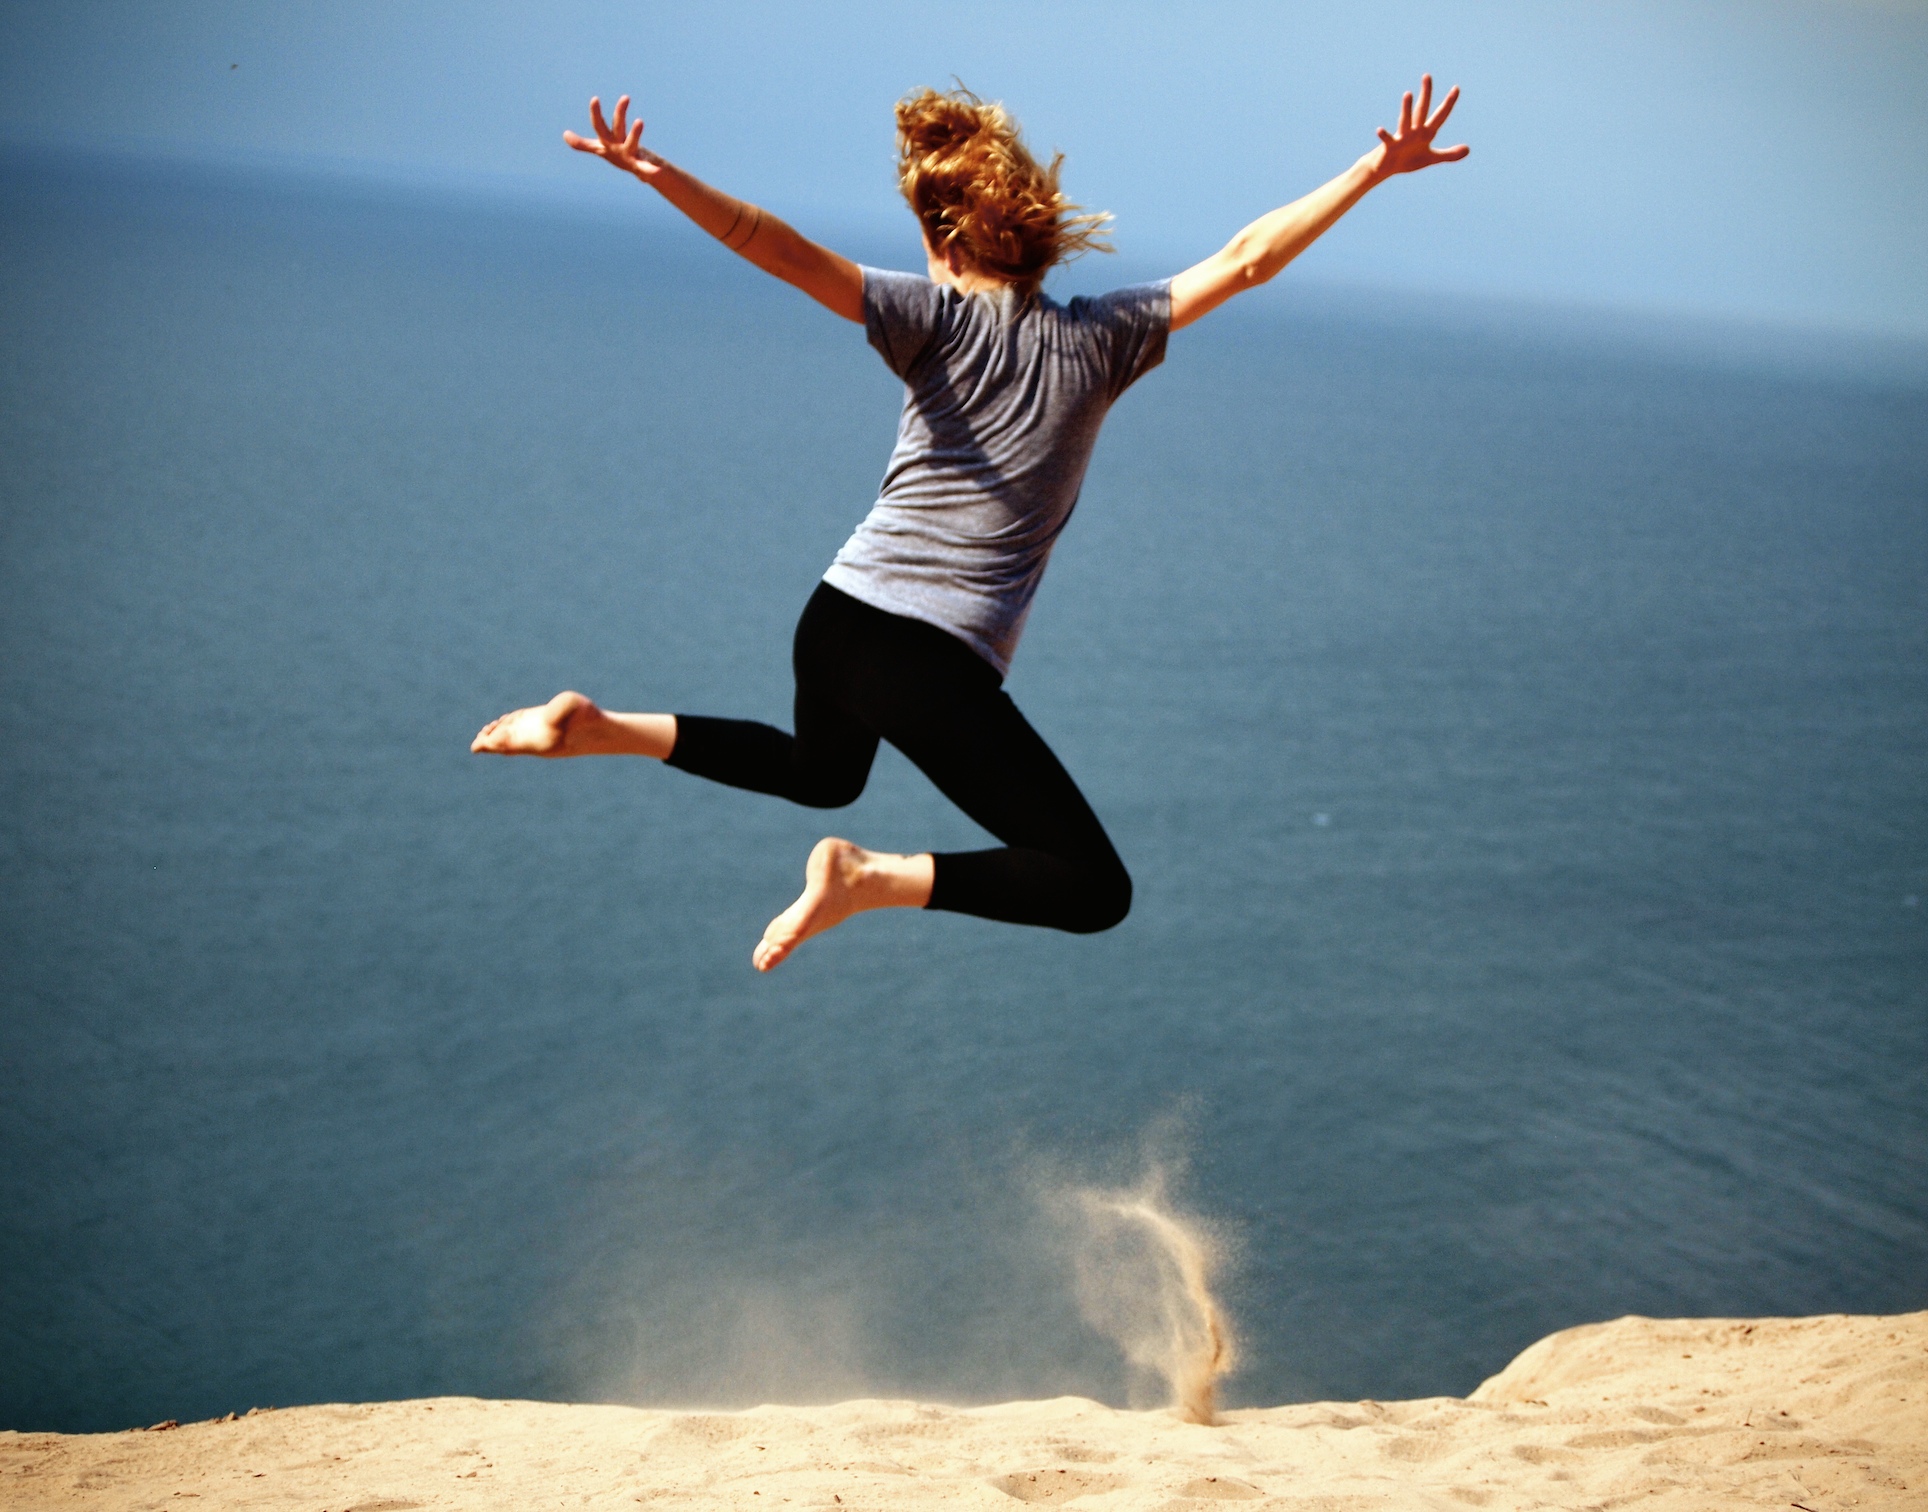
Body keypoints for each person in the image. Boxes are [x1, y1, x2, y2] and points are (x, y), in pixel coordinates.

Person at [473, 78, 1467, 972]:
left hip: (836, 618)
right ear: (1036, 234)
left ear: (940, 243)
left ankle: (598, 728)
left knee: (821, 776)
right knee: (1091, 888)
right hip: (929, 660)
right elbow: (1248, 261)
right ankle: (870, 880)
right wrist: (1372, 170)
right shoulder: (1107, 338)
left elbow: (771, 246)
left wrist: (661, 174)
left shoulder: (929, 319)